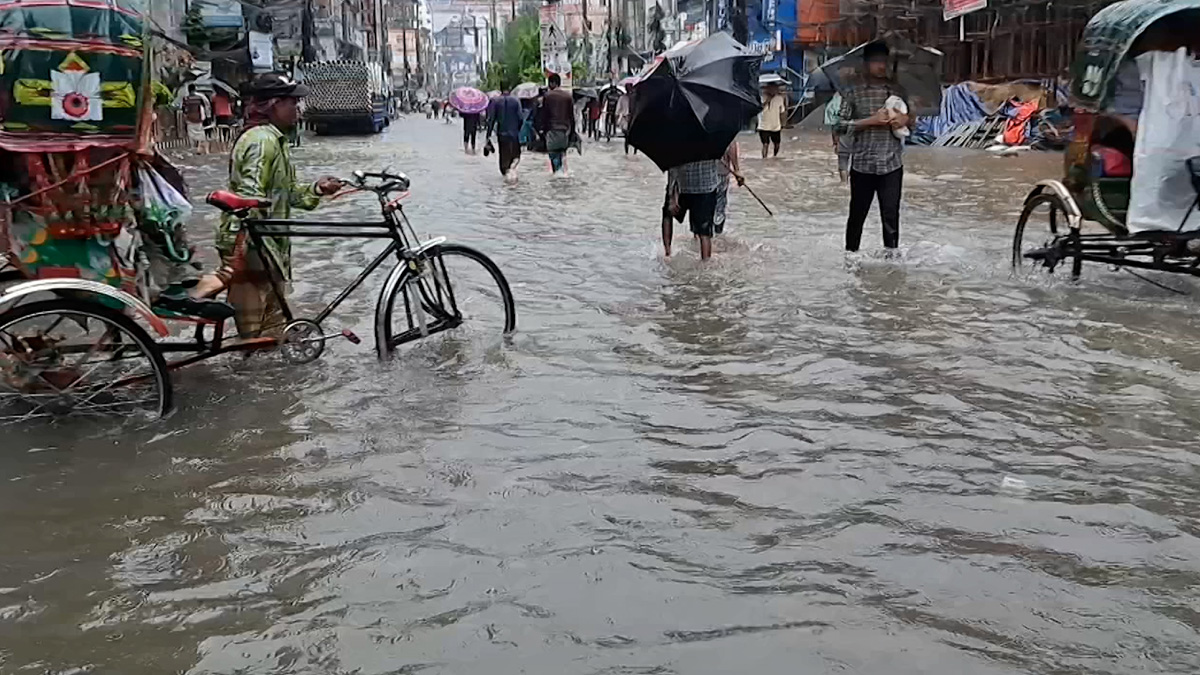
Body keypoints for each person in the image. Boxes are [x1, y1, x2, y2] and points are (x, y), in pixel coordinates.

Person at [214, 73, 342, 338]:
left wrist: (318, 189)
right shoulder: (262, 142)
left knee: (272, 331)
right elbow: (250, 198)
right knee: (252, 334)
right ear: (273, 105)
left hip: (270, 247)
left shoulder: (276, 140)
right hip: (251, 246)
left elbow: (289, 194)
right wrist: (243, 247)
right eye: (292, 103)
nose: (298, 109)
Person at [834, 40, 911, 253]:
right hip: (862, 165)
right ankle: (850, 258)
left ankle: (892, 260)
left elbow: (913, 120)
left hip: (892, 164)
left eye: (884, 61)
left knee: (891, 216)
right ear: (866, 63)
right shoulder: (853, 92)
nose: (881, 66)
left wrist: (905, 120)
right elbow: (840, 127)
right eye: (876, 61)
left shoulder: (898, 90)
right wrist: (871, 121)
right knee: (857, 215)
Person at [661, 159, 724, 260]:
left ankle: (667, 254)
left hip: (686, 186)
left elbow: (673, 169)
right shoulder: (713, 144)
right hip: (706, 186)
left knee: (668, 214)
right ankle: (706, 263)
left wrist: (672, 195)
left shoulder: (680, 144)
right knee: (704, 232)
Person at [538, 73, 575, 174]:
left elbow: (545, 115)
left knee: (554, 155)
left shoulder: (548, 96)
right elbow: (571, 116)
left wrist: (542, 131)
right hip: (565, 131)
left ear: (553, 83)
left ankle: (557, 177)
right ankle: (562, 175)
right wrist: (572, 132)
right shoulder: (568, 96)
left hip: (552, 130)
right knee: (562, 154)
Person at [486, 85, 524, 182]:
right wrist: (518, 130)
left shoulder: (495, 101)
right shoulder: (516, 101)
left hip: (502, 134)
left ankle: (507, 176)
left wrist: (488, 136)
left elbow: (491, 119)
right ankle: (511, 171)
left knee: (503, 157)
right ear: (510, 89)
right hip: (514, 133)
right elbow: (520, 118)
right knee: (516, 156)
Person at [715, 141, 744, 235]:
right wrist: (737, 170)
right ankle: (717, 235)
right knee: (719, 206)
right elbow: (731, 146)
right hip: (720, 174)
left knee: (701, 207)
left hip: (701, 175)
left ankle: (700, 238)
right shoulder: (726, 131)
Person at [757, 82, 786, 158]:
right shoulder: (761, 97)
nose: (774, 90)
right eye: (772, 88)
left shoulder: (780, 98)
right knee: (765, 144)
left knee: (777, 144)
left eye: (775, 88)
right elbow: (759, 108)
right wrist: (768, 100)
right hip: (763, 126)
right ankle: (764, 159)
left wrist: (783, 123)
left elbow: (782, 112)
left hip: (775, 126)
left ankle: (774, 157)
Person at [181, 84, 212, 155]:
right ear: (195, 89)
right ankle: (200, 148)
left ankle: (194, 148)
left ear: (188, 90)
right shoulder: (200, 98)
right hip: (199, 119)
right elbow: (205, 107)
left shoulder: (186, 99)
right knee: (200, 134)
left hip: (190, 119)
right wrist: (208, 117)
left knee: (191, 135)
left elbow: (184, 110)